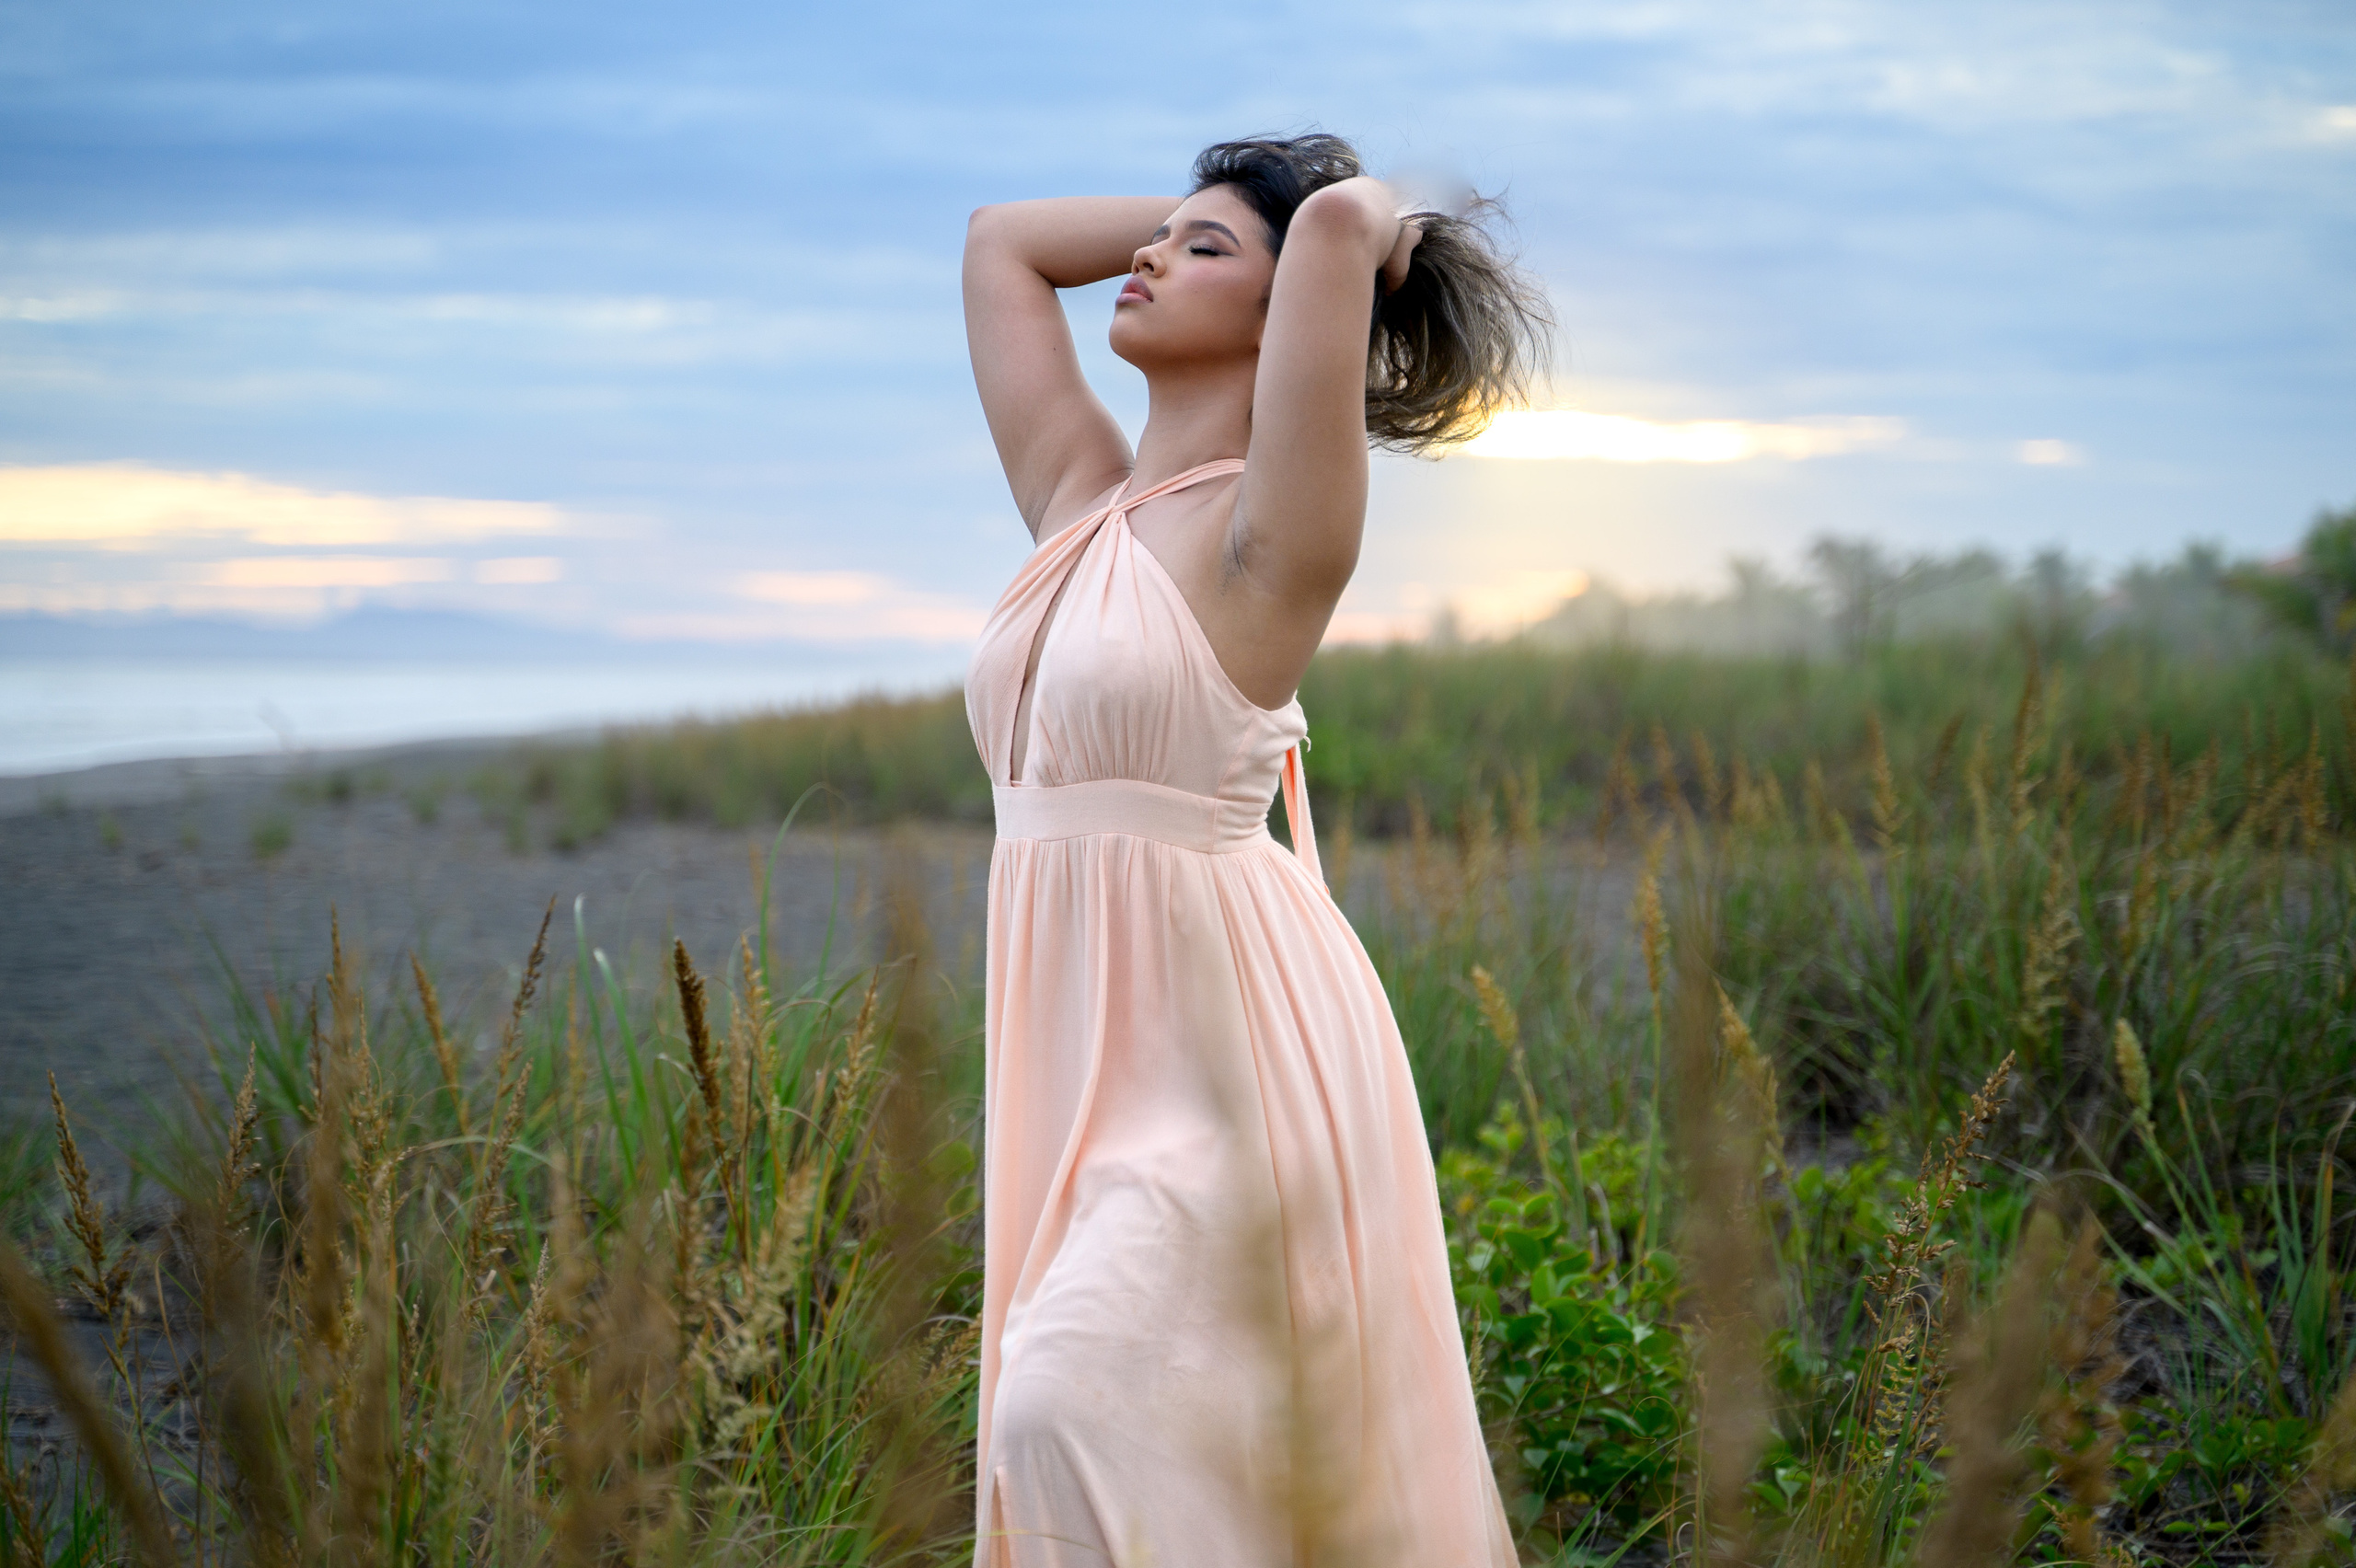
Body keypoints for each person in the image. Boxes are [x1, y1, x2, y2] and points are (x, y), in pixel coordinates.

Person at [960, 132, 1552, 1565]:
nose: (1150, 256)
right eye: (1161, 237)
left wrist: (1371, 222)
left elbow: (1347, 216)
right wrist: (1204, 219)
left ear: (1299, 309)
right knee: (1128, 1419)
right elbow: (1001, 245)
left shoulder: (1271, 539)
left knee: (1058, 1408)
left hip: (1225, 1047)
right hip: (1074, 1042)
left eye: (1202, 248)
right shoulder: (1077, 504)